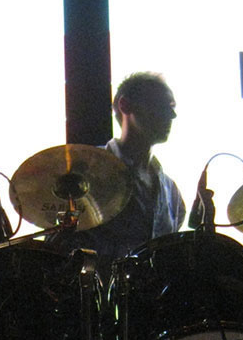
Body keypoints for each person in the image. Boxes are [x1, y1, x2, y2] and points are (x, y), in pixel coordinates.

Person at [79, 71, 186, 279]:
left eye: (172, 107)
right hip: (102, 295)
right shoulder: (88, 172)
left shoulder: (171, 192)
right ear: (125, 105)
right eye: (160, 105)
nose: (171, 115)